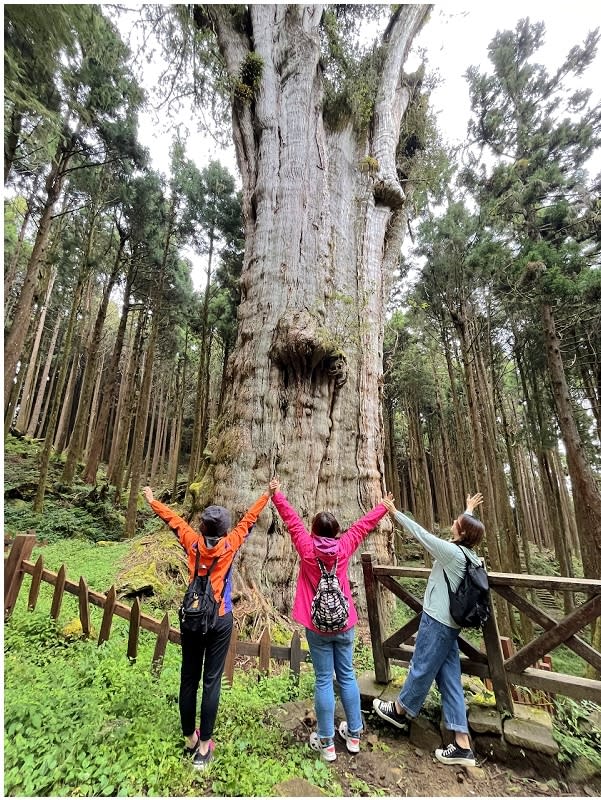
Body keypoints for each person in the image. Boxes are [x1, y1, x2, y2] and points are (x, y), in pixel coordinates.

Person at [143, 482, 274, 769]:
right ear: (225, 530)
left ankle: (190, 738)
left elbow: (173, 520)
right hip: (220, 617)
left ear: (202, 529)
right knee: (212, 680)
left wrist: (153, 500)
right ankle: (204, 748)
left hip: (192, 616)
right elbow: (249, 519)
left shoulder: (191, 541)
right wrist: (267, 494)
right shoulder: (231, 543)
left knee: (189, 677)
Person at [269, 476, 391, 762]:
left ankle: (326, 743)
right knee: (346, 676)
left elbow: (291, 521)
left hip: (317, 626)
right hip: (344, 622)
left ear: (313, 531)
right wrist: (382, 507)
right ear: (337, 533)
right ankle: (354, 736)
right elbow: (362, 527)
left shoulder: (306, 547)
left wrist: (277, 495)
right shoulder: (344, 546)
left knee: (324, 679)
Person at [372, 492, 485, 767]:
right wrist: (468, 508)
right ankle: (462, 745)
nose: (454, 521)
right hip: (452, 625)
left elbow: (422, 536)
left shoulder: (452, 553)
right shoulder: (471, 556)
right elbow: (466, 528)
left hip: (437, 622)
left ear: (461, 531)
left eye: (458, 521)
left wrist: (394, 513)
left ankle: (400, 711)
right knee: (450, 681)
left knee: (421, 665)